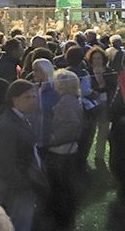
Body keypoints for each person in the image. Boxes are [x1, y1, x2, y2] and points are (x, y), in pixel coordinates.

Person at [0, 80, 46, 231]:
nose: (33, 100)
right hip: (17, 189)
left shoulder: (20, 117)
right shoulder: (7, 125)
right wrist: (25, 186)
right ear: (14, 99)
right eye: (28, 97)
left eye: (34, 96)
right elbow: (6, 165)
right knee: (19, 225)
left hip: (25, 183)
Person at [43, 69, 84, 231]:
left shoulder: (67, 101)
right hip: (66, 150)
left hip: (61, 151)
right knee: (65, 188)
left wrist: (52, 139)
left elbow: (72, 125)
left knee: (61, 188)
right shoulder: (72, 98)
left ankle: (62, 221)